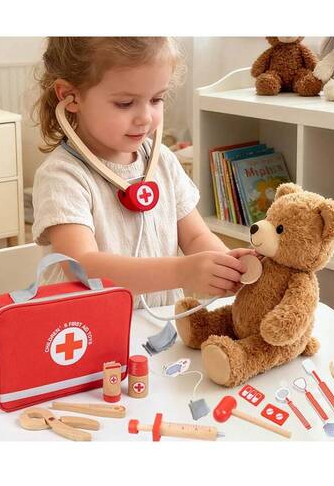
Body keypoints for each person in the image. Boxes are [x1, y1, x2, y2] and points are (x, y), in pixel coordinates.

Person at [32, 37, 256, 308]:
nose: (146, 118)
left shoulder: (162, 161)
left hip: (156, 324)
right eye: (125, 103)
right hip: (88, 327)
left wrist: (230, 268)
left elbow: (196, 237)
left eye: (156, 99)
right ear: (70, 96)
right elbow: (83, 267)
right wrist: (181, 271)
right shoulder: (62, 176)